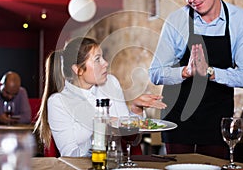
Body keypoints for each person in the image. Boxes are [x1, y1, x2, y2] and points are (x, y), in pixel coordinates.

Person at [148, 0, 243, 159]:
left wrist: (210, 72)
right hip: (177, 120)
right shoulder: (177, 20)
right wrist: (186, 71)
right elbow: (155, 73)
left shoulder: (241, 21)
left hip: (217, 122)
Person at [35, 37, 167, 157]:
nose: (105, 63)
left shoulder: (111, 83)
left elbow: (131, 140)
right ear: (78, 70)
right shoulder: (58, 102)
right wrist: (99, 130)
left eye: (102, 57)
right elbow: (70, 155)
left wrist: (136, 110)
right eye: (97, 59)